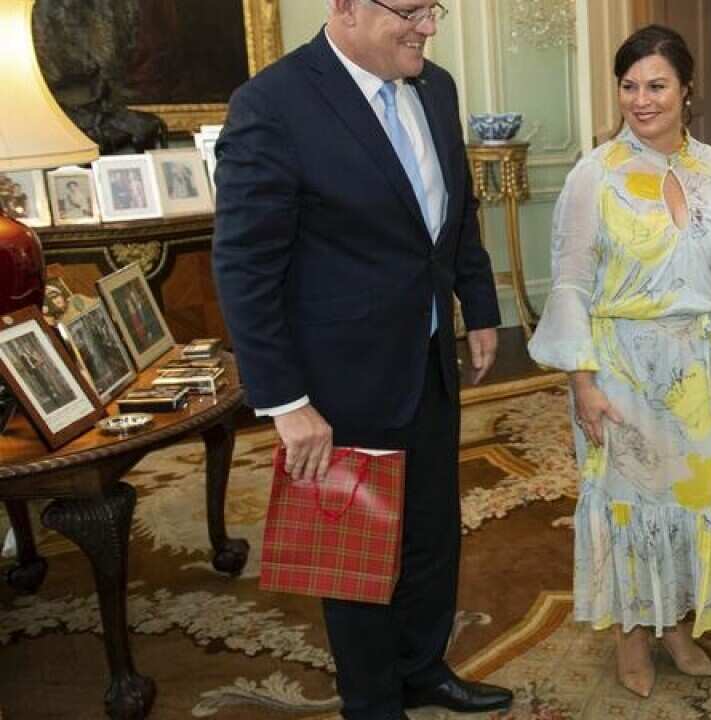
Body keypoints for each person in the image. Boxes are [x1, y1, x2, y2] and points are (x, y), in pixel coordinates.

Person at [212, 1, 512, 718]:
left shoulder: (436, 87)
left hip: (430, 357)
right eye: (409, 11)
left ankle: (423, 668)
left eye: (432, 9)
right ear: (344, 6)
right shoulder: (272, 104)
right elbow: (245, 266)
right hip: (338, 380)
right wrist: (286, 403)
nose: (427, 26)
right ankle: (373, 701)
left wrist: (480, 305)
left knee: (433, 535)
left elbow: (456, 213)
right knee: (356, 556)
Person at [527, 25, 711, 700]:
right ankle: (632, 635)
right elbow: (569, 282)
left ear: (687, 90)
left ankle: (677, 626)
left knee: (697, 500)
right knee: (630, 505)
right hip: (621, 366)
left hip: (701, 360)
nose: (641, 99)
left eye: (656, 85)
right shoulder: (593, 175)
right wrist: (582, 381)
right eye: (629, 86)